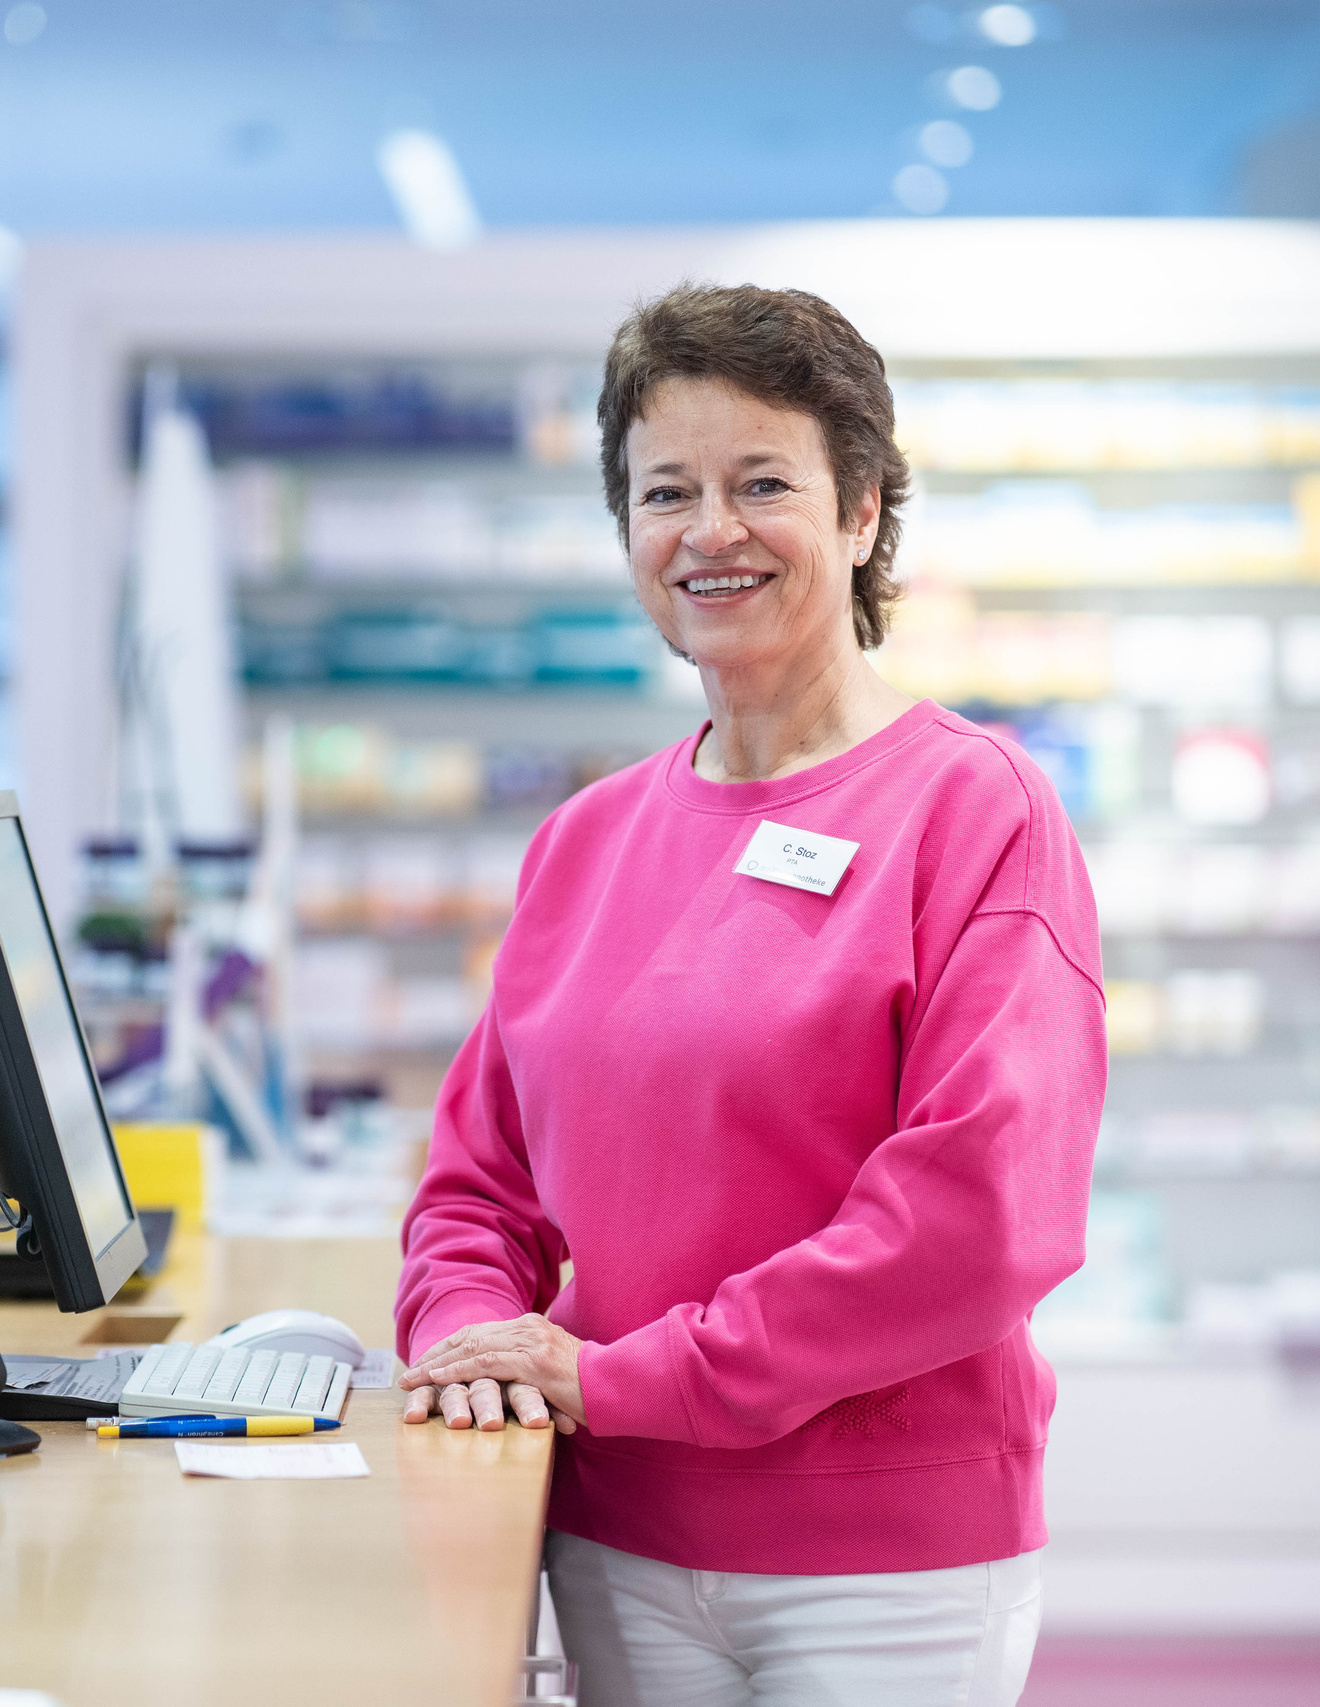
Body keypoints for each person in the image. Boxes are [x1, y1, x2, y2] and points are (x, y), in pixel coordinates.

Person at [392, 282, 1106, 1706]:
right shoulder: (587, 841)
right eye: (667, 491)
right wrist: (466, 1338)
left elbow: (972, 1222)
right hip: (617, 1531)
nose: (710, 531)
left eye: (761, 482)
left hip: (881, 1565)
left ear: (861, 512)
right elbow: (479, 1187)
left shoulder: (977, 813)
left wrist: (624, 1379)